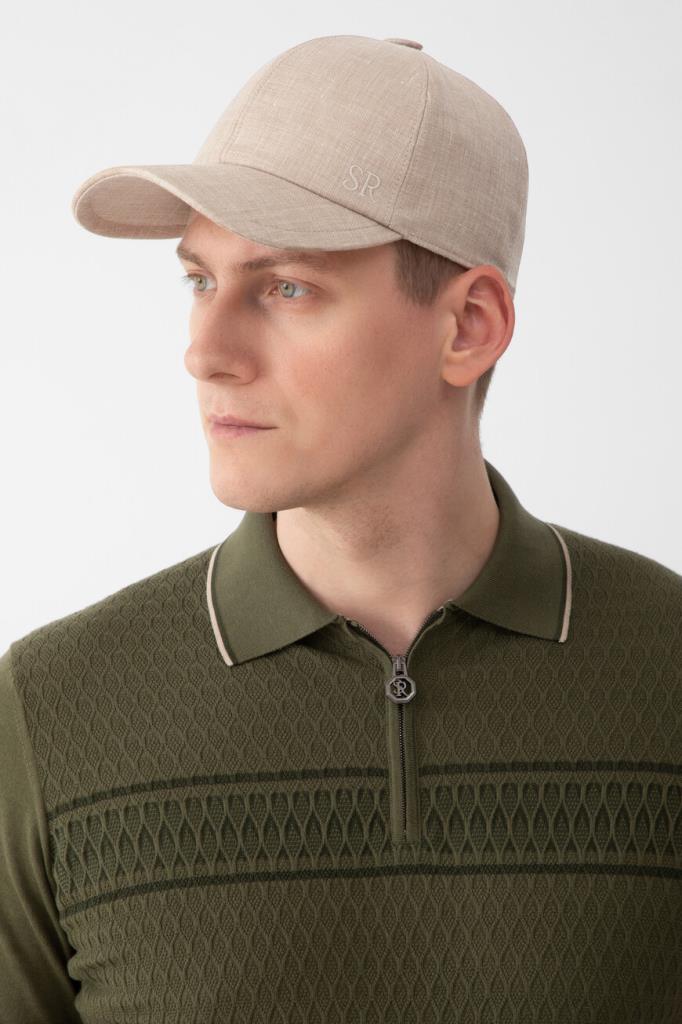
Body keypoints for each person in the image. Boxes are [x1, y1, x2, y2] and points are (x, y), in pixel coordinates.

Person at [1, 33, 680, 1024]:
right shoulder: (53, 708)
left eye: (286, 286)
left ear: (469, 327)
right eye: (199, 280)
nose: (206, 351)